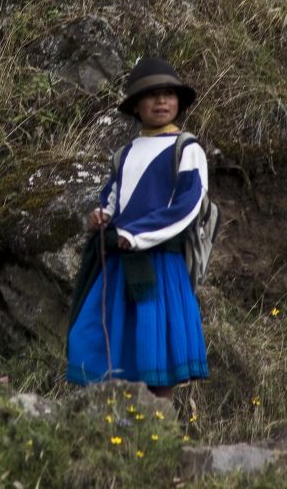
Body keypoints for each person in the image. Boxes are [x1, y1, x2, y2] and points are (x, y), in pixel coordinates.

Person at [66, 57, 210, 398]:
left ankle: (162, 438)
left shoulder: (186, 149)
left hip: (161, 265)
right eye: (151, 95)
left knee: (156, 356)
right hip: (120, 265)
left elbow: (187, 207)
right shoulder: (124, 154)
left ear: (178, 102)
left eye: (168, 94)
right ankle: (125, 434)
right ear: (135, 106)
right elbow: (112, 201)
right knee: (115, 354)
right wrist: (100, 217)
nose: (161, 102)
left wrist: (134, 235)